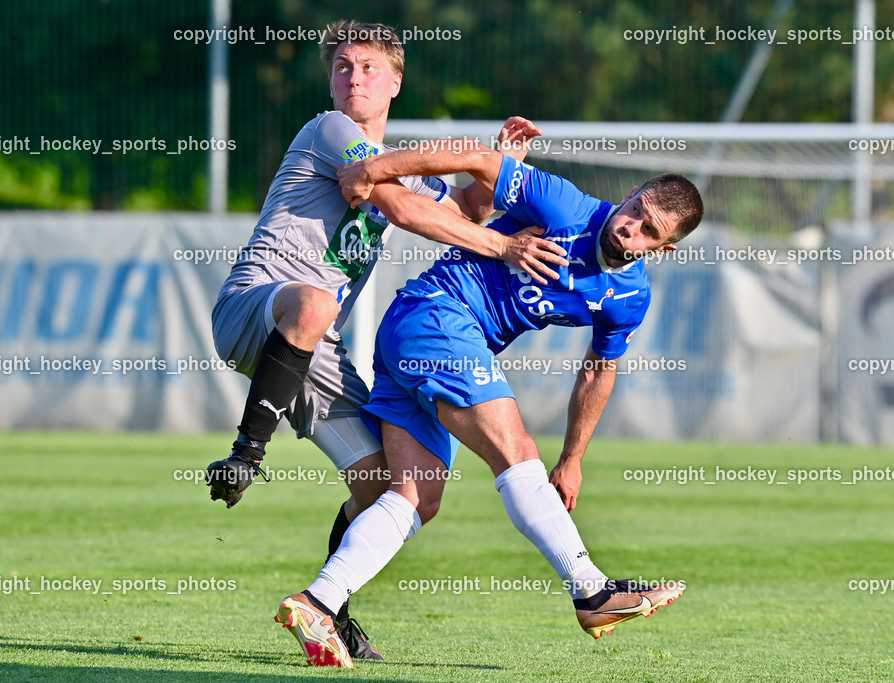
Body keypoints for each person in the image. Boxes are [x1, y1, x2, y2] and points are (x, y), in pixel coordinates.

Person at [205, 20, 567, 662]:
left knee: (402, 491)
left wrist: (498, 166)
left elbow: (459, 211)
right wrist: (505, 247)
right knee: (316, 299)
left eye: (370, 67)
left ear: (396, 80)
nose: (354, 78)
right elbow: (402, 211)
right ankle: (246, 453)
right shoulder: (329, 131)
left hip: (312, 353)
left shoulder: (405, 172)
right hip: (255, 311)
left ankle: (327, 613)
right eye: (343, 66)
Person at [273, 137, 703, 668]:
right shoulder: (563, 205)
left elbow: (598, 372)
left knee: (416, 495)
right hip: (437, 316)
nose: (630, 226)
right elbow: (475, 156)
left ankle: (318, 602)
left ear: (664, 249)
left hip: (423, 337)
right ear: (634, 192)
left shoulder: (630, 297)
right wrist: (373, 168)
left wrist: (572, 459)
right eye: (637, 209)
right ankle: (591, 591)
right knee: (517, 450)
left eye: (648, 230)